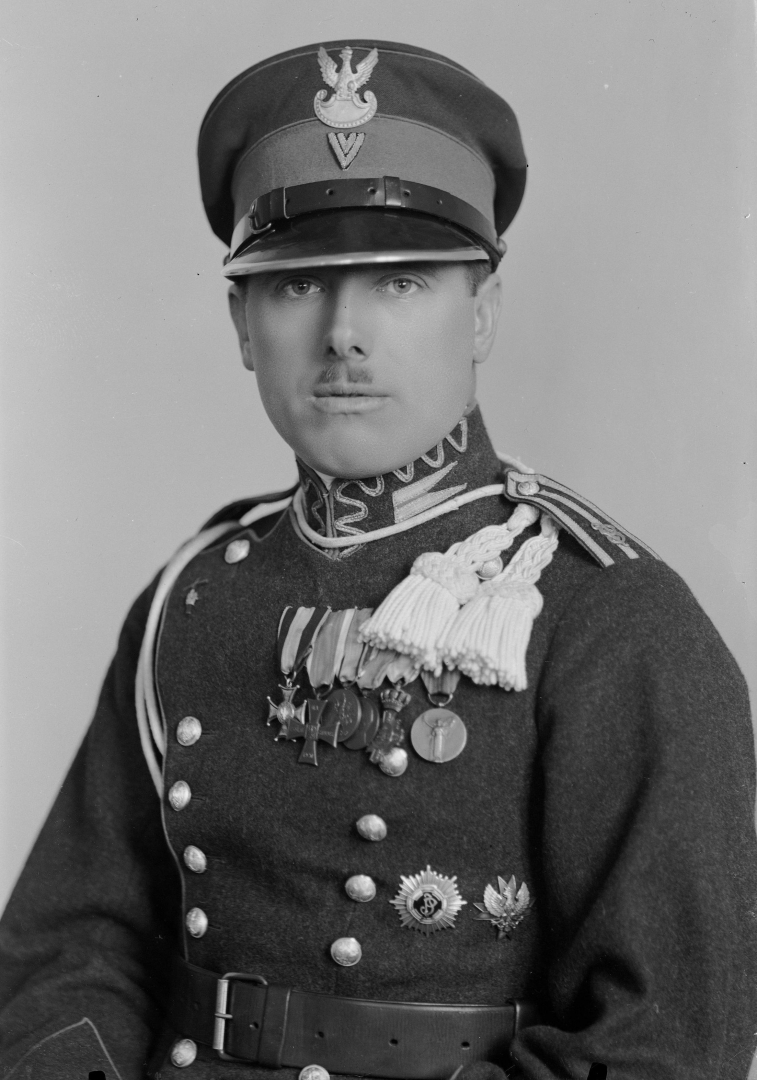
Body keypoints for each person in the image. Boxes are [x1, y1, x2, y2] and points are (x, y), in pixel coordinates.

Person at [0, 38, 755, 1080]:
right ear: (242, 325)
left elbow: (664, 1044)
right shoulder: (194, 593)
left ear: (480, 313)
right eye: (297, 286)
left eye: (400, 282)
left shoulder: (609, 617)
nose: (343, 334)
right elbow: (69, 943)